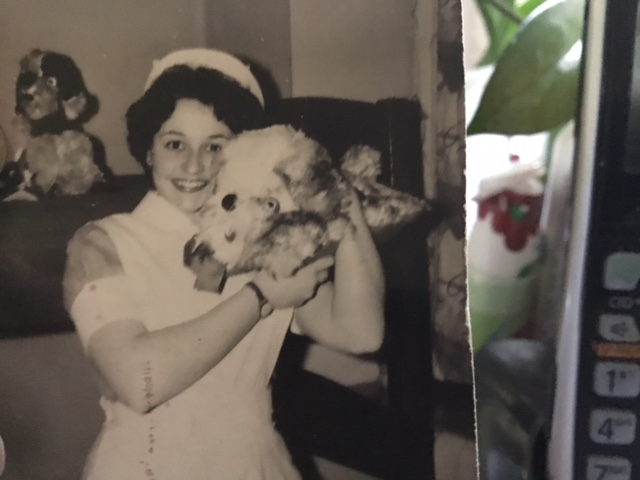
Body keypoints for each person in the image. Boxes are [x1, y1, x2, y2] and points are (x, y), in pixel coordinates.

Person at [62, 48, 385, 480]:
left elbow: (360, 333)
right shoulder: (102, 242)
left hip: (254, 465)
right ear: (148, 152)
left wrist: (340, 199)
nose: (194, 165)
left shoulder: (269, 241)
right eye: (174, 143)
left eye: (216, 146)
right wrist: (262, 297)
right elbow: (141, 383)